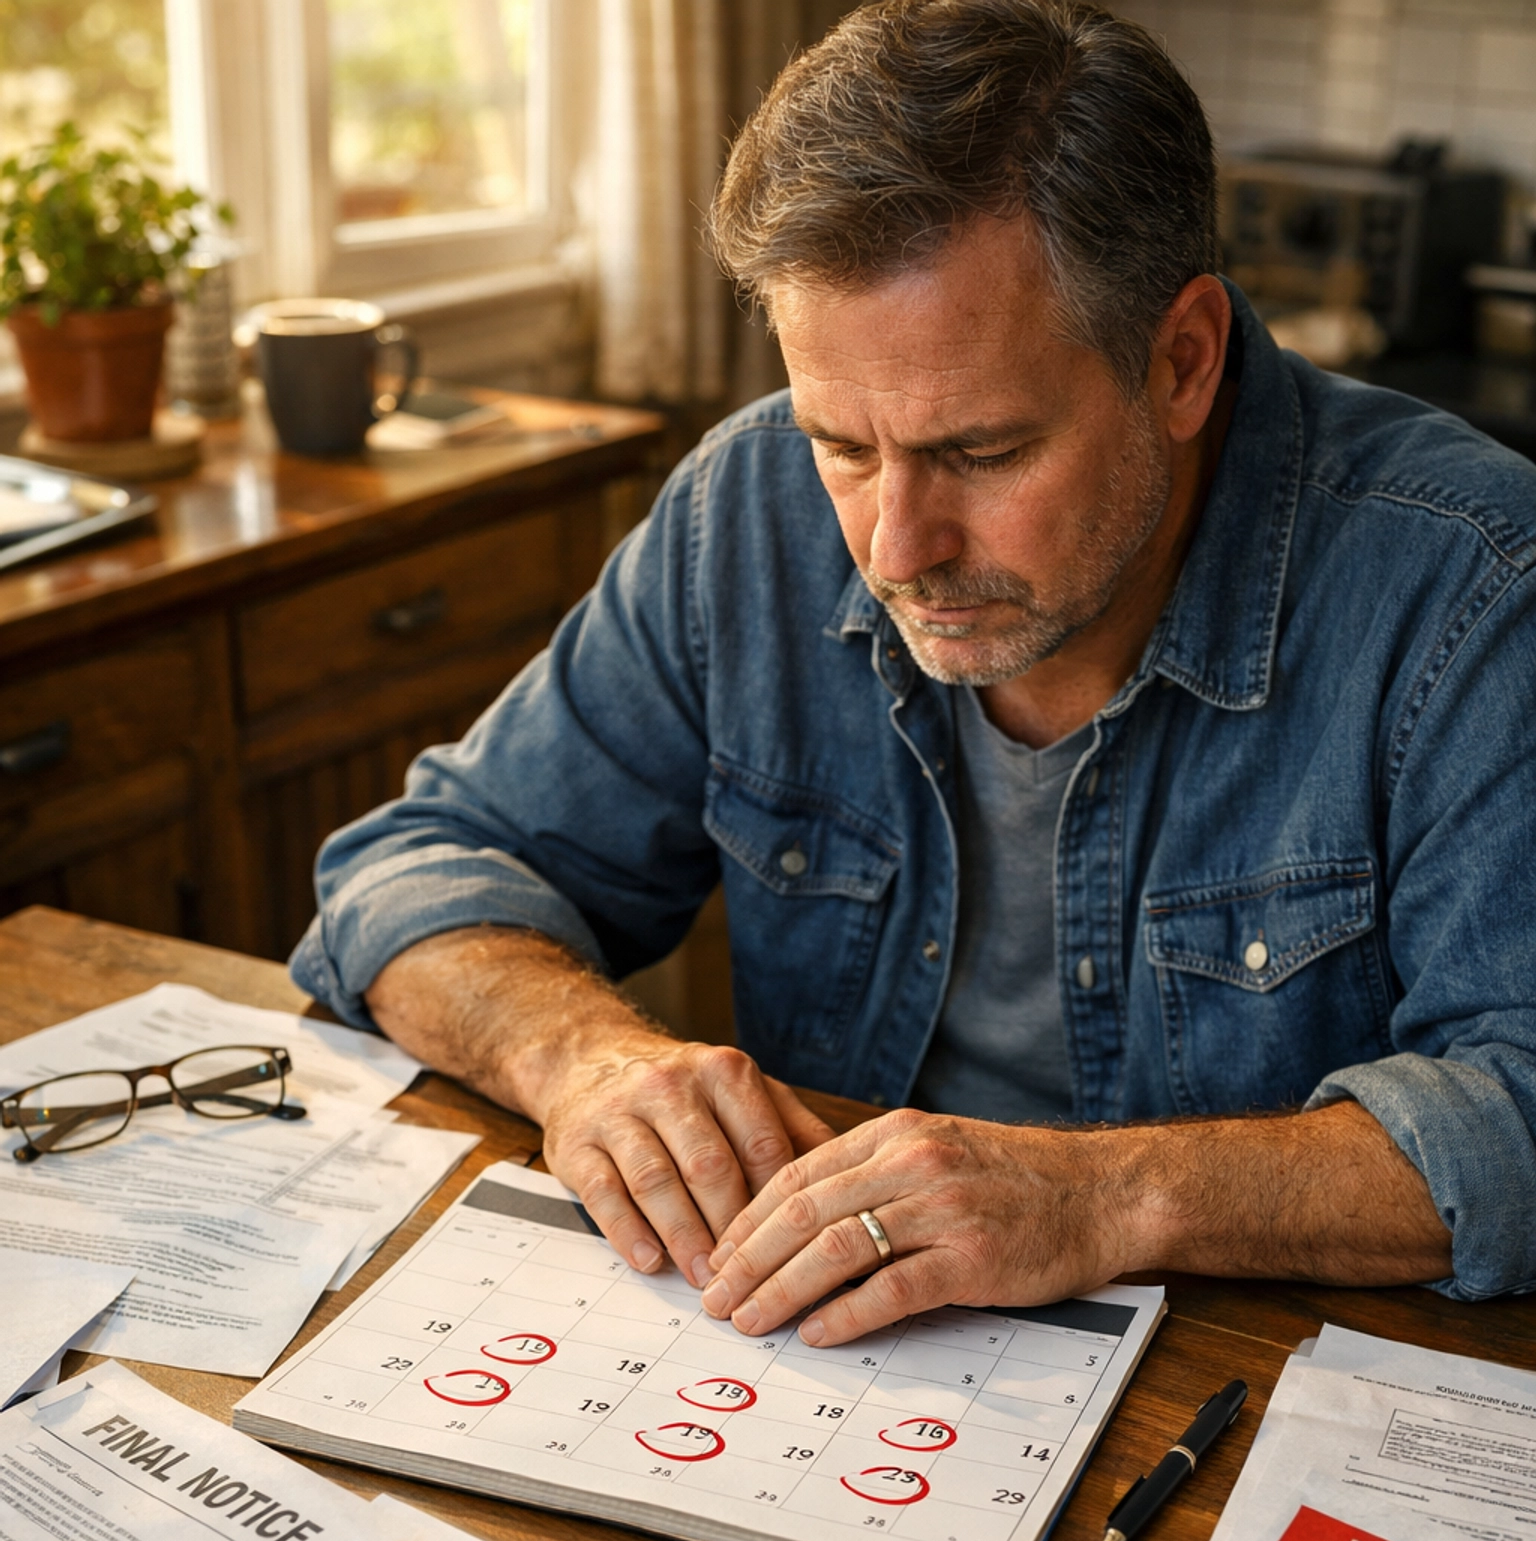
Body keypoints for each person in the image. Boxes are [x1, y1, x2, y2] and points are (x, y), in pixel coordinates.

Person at [293, 0, 1536, 1348]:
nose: (897, 548)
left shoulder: (1471, 587)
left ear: (1181, 361)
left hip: (1260, 1388)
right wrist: (580, 1055)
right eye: (843, 444)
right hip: (839, 1376)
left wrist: (1103, 1198)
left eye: (983, 452)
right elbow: (413, 871)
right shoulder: (747, 513)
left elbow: (1520, 1106)